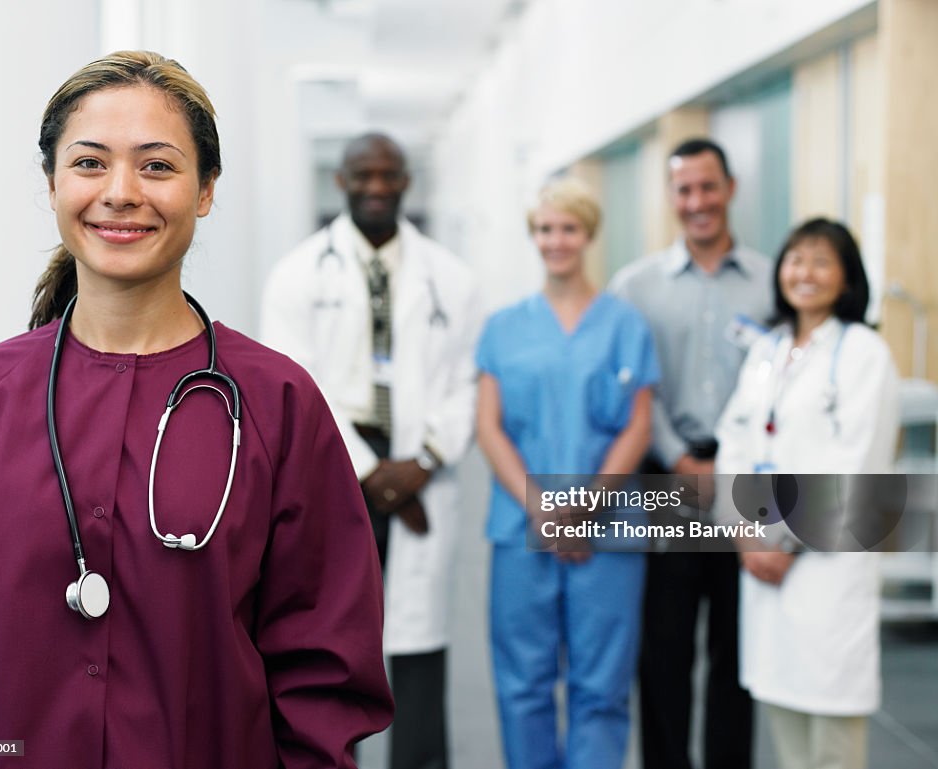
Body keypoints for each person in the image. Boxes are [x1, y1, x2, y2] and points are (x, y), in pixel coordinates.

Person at [0, 51, 392, 769]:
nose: (121, 192)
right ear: (51, 182)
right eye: (89, 163)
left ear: (205, 190)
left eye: (158, 166)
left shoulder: (278, 404)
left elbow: (323, 676)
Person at [260, 132, 480, 769]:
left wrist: (424, 461)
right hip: (336, 469)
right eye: (364, 175)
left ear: (407, 181)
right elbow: (294, 379)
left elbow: (466, 380)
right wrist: (367, 471)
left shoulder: (451, 278)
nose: (377, 186)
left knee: (418, 647)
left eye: (389, 175)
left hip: (420, 469)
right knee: (333, 644)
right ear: (342, 182)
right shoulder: (298, 274)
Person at [476, 178, 658, 769]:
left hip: (607, 531)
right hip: (520, 526)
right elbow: (490, 427)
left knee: (601, 686)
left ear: (589, 235)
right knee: (523, 684)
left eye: (569, 229)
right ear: (534, 235)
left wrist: (587, 505)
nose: (558, 241)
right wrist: (541, 508)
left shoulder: (625, 324)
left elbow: (638, 426)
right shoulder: (503, 328)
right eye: (547, 229)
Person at [608, 137, 773, 769]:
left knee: (738, 649)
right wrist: (678, 457)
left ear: (730, 189)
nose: (697, 202)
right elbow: (630, 393)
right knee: (665, 650)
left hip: (745, 485)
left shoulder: (769, 283)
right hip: (666, 480)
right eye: (684, 190)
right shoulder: (636, 287)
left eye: (708, 187)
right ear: (672, 197)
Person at [715, 218, 899, 769]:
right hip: (762, 560)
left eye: (822, 261)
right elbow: (734, 442)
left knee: (833, 735)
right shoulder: (766, 351)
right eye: (796, 259)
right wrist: (747, 536)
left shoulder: (864, 353)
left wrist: (782, 541)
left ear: (847, 279)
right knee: (783, 715)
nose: (806, 273)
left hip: (825, 563)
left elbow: (856, 465)